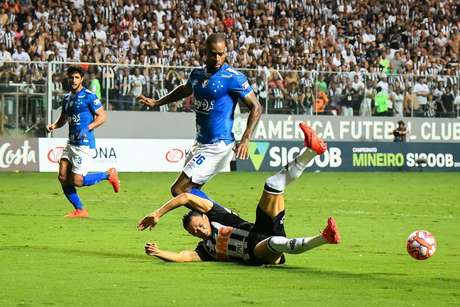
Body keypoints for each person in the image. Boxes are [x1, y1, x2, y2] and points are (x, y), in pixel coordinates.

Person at [137, 123, 340, 265]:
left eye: (198, 226)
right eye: (194, 232)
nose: (198, 231)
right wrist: (159, 252)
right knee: (274, 243)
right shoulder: (206, 250)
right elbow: (184, 256)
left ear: (205, 219)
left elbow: (185, 197)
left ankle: (311, 151)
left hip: (259, 228)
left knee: (272, 185)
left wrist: (157, 213)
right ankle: (324, 238)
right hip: (255, 252)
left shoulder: (215, 215)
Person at [137, 33, 262, 197]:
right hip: (200, 143)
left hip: (218, 144)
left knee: (179, 190)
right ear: (205, 53)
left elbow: (256, 107)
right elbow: (184, 90)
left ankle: (230, 219)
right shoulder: (197, 74)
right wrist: (157, 102)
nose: (217, 58)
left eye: (221, 54)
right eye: (213, 54)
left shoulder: (233, 78)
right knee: (191, 193)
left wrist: (246, 139)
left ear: (226, 53)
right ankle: (215, 223)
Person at [46, 66, 120, 218]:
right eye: (71, 78)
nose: (73, 80)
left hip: (84, 144)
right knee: (62, 177)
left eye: (76, 77)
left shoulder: (89, 96)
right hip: (71, 143)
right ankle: (80, 210)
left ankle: (108, 174)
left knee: (77, 181)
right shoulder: (67, 98)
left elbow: (102, 116)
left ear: (81, 79)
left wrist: (88, 128)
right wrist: (54, 125)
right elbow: (63, 119)